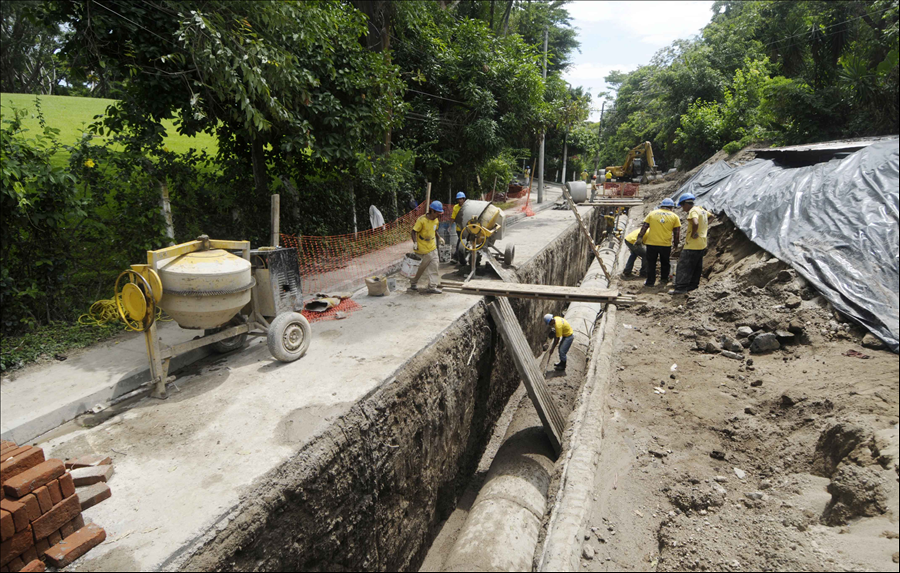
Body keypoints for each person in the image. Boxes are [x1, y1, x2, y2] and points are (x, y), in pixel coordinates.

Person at [670, 193, 710, 295]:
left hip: (692, 245)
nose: (683, 209)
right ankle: (693, 285)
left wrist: (694, 233)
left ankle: (680, 288)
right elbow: (712, 216)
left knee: (684, 266)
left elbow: (695, 223)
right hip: (702, 244)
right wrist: (703, 229)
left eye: (683, 206)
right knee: (696, 266)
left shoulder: (693, 211)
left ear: (686, 204)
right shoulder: (702, 210)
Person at [635, 198, 681, 287]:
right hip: (665, 245)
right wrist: (675, 244)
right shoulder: (674, 216)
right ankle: (664, 280)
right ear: (671, 207)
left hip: (651, 244)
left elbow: (644, 227)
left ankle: (650, 282)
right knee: (665, 263)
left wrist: (640, 238)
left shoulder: (652, 214)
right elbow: (677, 233)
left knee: (651, 263)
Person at [410, 200, 445, 293]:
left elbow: (435, 230)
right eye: (438, 213)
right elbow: (414, 231)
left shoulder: (436, 220)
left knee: (434, 266)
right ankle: (413, 283)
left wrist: (439, 237)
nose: (439, 215)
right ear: (432, 211)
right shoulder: (421, 220)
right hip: (421, 249)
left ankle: (432, 287)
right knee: (419, 269)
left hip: (432, 247)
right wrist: (415, 243)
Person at [450, 192, 468, 265]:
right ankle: (456, 257)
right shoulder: (455, 207)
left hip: (467, 228)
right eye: (458, 199)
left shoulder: (467, 206)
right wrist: (450, 226)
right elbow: (453, 217)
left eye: (461, 199)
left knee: (464, 243)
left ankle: (459, 257)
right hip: (459, 229)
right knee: (460, 242)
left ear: (464, 199)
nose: (459, 200)